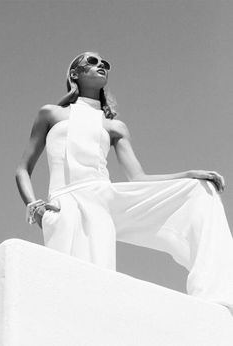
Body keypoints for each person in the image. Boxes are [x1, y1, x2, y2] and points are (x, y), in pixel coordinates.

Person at [16, 51, 233, 313]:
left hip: (104, 197)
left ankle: (216, 299)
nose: (101, 66)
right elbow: (22, 169)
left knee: (200, 192)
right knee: (78, 290)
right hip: (67, 202)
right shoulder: (50, 114)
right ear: (74, 74)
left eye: (104, 64)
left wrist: (187, 175)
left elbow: (138, 178)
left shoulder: (114, 126)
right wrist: (34, 206)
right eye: (92, 62)